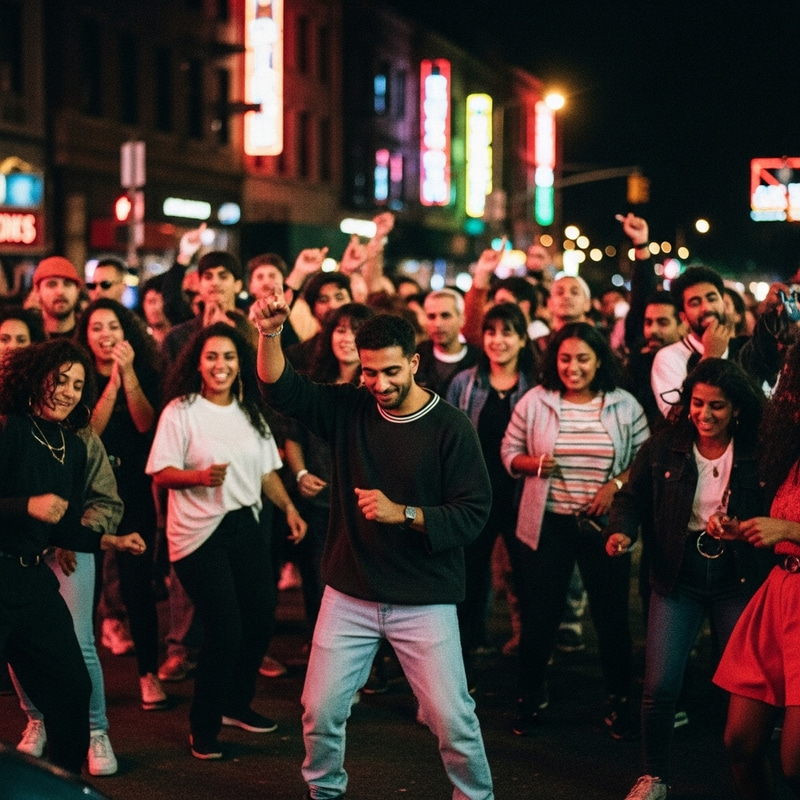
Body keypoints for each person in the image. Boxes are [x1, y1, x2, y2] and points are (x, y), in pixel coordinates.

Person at [253, 298, 494, 800]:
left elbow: (474, 512)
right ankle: (325, 791)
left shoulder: (451, 427)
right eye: (369, 373)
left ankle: (475, 796)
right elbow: (282, 389)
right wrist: (270, 334)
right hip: (350, 593)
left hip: (424, 597)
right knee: (319, 709)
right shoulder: (351, 407)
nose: (379, 384)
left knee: (452, 718)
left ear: (413, 362)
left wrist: (403, 513)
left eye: (390, 372)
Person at [605, 359, 769, 800]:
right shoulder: (665, 447)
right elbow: (632, 498)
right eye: (698, 403)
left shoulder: (756, 452)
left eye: (717, 406)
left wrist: (747, 526)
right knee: (660, 684)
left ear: (737, 409)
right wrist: (622, 531)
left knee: (743, 685)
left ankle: (746, 769)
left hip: (737, 576)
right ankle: (652, 776)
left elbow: (777, 510)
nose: (705, 414)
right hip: (677, 574)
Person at [146, 322, 306, 760]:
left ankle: (237, 704)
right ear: (197, 363)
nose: (220, 365)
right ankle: (205, 724)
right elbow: (160, 473)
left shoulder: (250, 412)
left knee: (260, 619)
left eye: (229, 357)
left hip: (244, 524)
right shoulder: (181, 411)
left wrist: (289, 508)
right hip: (197, 535)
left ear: (241, 365)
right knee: (226, 627)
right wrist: (196, 477)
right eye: (212, 356)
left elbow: (268, 471)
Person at [0, 339, 145, 775]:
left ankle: (62, 782)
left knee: (71, 688)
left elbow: (61, 527)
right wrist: (26, 505)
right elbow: (34, 509)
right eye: (59, 380)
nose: (68, 391)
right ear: (33, 378)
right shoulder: (8, 427)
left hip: (33, 583)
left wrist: (110, 542)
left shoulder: (73, 445)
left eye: (78, 385)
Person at [501, 321, 649, 738]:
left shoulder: (623, 404)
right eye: (565, 358)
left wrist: (614, 486)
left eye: (582, 358)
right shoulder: (536, 401)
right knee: (540, 616)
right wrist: (529, 464)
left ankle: (618, 699)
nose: (573, 367)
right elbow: (507, 451)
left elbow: (643, 462)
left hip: (604, 525)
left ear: (599, 359)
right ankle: (529, 697)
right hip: (549, 523)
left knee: (612, 617)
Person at [713, 340, 800, 800]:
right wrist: (744, 530)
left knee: (794, 764)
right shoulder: (792, 453)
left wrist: (787, 527)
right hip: (779, 594)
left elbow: (787, 525)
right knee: (740, 742)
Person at [75, 298, 167, 711]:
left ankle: (149, 673)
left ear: (126, 331)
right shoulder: (77, 377)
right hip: (89, 493)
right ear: (85, 335)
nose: (105, 335)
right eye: (96, 328)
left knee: (137, 586)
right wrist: (110, 382)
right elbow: (89, 431)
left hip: (133, 491)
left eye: (112, 326)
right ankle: (81, 680)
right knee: (84, 589)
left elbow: (147, 424)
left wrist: (127, 373)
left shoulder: (145, 370)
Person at [447, 303, 537, 683]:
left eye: (508, 332)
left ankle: (531, 673)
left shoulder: (535, 386)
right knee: (469, 580)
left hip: (522, 496)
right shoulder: (464, 383)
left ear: (522, 338)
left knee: (529, 580)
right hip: (473, 496)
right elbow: (446, 437)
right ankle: (460, 669)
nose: (498, 341)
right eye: (492, 332)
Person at [415, 287, 480, 397]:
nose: (438, 324)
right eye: (431, 316)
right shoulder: (417, 355)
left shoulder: (477, 359)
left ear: (462, 319)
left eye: (445, 316)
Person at [31, 256, 83, 339]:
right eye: (52, 284)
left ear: (77, 291)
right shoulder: (27, 338)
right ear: (37, 291)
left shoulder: (89, 336)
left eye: (67, 284)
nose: (60, 292)